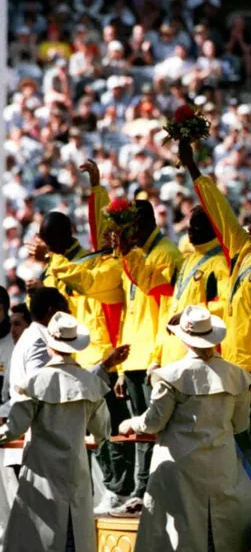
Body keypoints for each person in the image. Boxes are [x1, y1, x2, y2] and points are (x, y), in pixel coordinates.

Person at [118, 305, 251, 552]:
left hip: (178, 464)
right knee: (214, 530)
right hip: (220, 462)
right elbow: (241, 424)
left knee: (181, 531)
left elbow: (153, 422)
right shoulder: (237, 375)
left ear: (184, 338)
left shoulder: (170, 376)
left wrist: (130, 424)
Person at [183, 141, 251, 514]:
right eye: (246, 224)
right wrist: (195, 172)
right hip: (229, 365)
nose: (245, 229)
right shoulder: (243, 254)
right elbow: (220, 213)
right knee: (237, 436)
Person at [0, 312, 110, 552]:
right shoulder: (90, 383)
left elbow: (15, 426)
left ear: (50, 345)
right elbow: (101, 428)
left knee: (47, 536)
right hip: (75, 467)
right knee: (73, 535)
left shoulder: (35, 382)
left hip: (42, 468)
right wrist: (96, 439)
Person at [30, 187, 130, 516]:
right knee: (91, 430)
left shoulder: (97, 263)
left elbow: (83, 281)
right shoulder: (62, 264)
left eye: (52, 241)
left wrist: (97, 188)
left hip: (106, 356)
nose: (50, 247)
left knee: (110, 428)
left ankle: (120, 489)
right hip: (81, 356)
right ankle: (110, 489)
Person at [89, 191, 183, 518]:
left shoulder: (166, 255)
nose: (125, 235)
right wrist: (122, 366)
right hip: (134, 358)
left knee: (151, 431)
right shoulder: (137, 255)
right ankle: (140, 490)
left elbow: (165, 313)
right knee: (138, 433)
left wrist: (156, 359)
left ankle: (148, 490)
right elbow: (133, 313)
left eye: (128, 227)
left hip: (153, 358)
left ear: (142, 223)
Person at [146, 206, 229, 369]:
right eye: (190, 227)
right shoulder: (187, 262)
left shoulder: (220, 265)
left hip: (199, 358)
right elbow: (168, 311)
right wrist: (157, 358)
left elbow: (225, 305)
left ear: (213, 228)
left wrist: (190, 314)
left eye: (197, 227)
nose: (191, 232)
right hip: (171, 356)